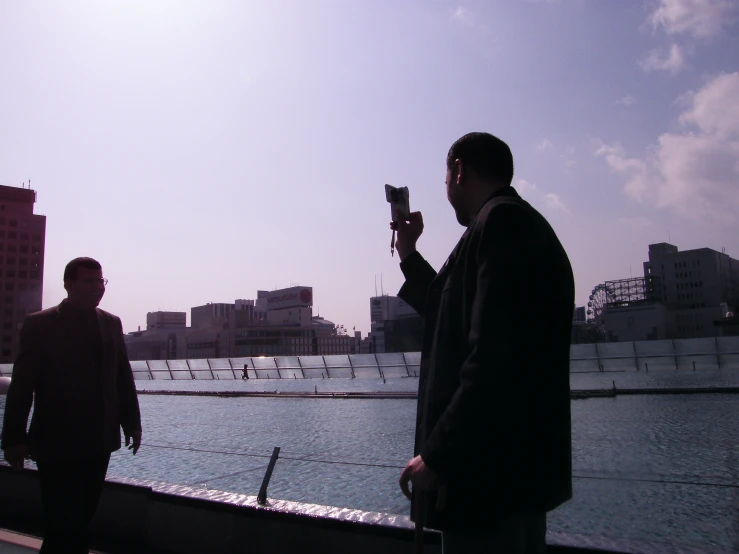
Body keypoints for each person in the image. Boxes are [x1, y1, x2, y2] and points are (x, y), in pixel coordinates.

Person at [395, 133, 574, 553]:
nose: (445, 188)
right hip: (511, 478)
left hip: (489, 480)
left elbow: (494, 359)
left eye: (445, 176)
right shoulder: (516, 225)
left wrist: (437, 454)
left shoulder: (500, 225)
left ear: (458, 170)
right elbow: (452, 313)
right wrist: (407, 253)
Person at [1, 257, 142, 554]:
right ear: (68, 284)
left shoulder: (111, 323)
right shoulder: (40, 324)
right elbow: (22, 384)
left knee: (81, 518)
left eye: (100, 281)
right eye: (89, 281)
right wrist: (14, 437)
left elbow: (122, 377)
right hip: (56, 440)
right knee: (62, 521)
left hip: (98, 440)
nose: (97, 287)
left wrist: (132, 423)